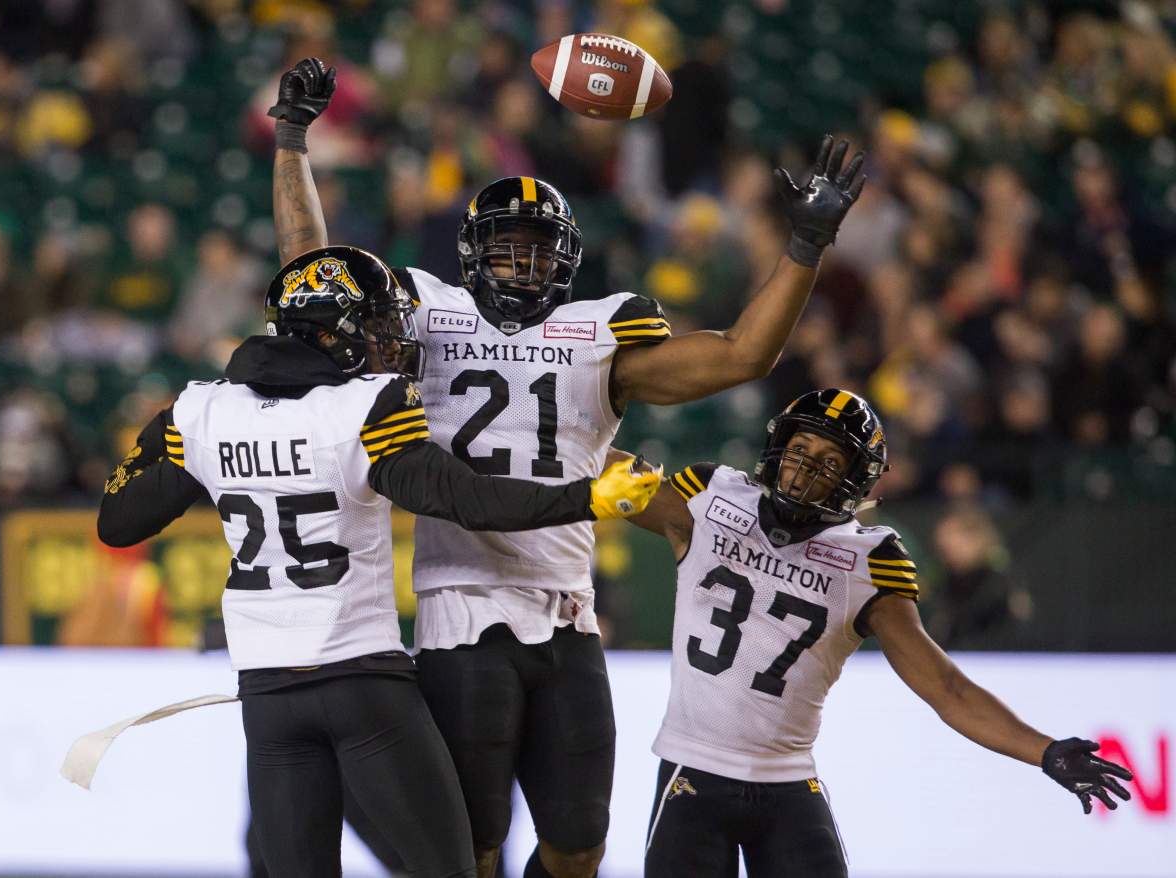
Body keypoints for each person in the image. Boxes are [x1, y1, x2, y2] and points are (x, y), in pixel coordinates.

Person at [267, 58, 865, 878]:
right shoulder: (427, 314)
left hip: (569, 615)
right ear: (471, 254)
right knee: (471, 851)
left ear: (570, 258)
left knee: (580, 846)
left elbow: (740, 356)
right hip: (461, 607)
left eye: (537, 250)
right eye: (505, 249)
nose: (521, 265)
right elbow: (313, 277)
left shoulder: (601, 333)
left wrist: (805, 244)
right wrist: (293, 141)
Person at [96, 245, 660, 878]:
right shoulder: (363, 405)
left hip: (269, 700)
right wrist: (586, 497)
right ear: (333, 332)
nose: (391, 341)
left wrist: (167, 444)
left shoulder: (205, 412)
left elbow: (117, 522)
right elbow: (466, 499)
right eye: (375, 325)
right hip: (365, 687)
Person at [622, 389, 1134, 877]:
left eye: (829, 460)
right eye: (800, 448)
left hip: (788, 782)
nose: (806, 467)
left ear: (855, 480)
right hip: (693, 773)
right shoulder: (711, 497)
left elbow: (945, 687)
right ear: (778, 448)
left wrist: (1041, 750)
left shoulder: (869, 560)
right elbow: (589, 467)